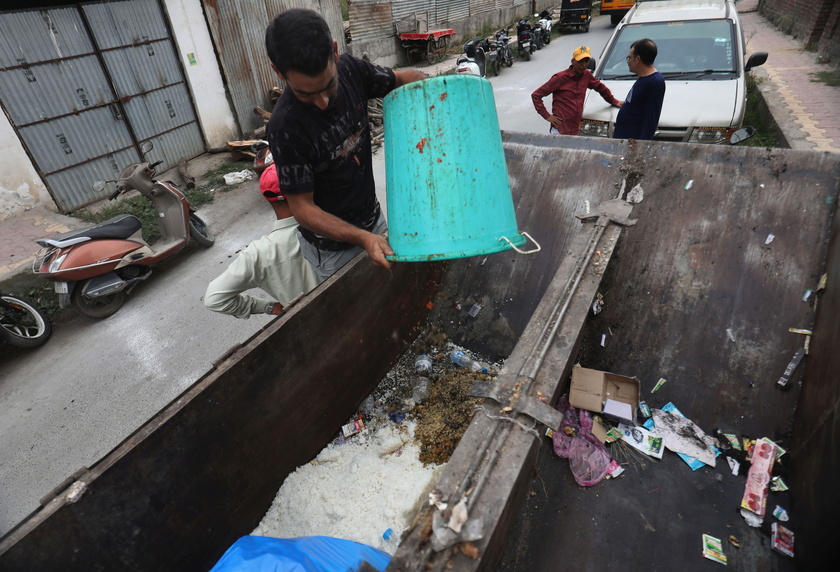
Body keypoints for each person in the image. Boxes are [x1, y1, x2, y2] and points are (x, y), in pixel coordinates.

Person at [264, 9, 428, 281]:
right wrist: (363, 238)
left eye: (329, 86)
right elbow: (302, 209)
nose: (322, 102)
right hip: (332, 250)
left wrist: (439, 94)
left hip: (373, 221)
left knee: (397, 290)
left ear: (335, 51)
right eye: (306, 94)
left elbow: (401, 79)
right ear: (278, 72)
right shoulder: (285, 128)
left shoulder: (352, 70)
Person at [204, 166, 319, 319]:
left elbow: (214, 299)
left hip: (309, 323)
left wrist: (268, 307)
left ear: (267, 198)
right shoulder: (336, 226)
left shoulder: (257, 254)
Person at [532, 46, 622, 135]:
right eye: (580, 61)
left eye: (586, 61)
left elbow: (601, 88)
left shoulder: (587, 75)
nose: (583, 65)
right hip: (559, 130)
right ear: (573, 61)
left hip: (575, 130)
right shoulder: (560, 78)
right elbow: (536, 95)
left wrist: (614, 101)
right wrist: (547, 116)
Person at [613, 38, 666, 140]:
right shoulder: (643, 79)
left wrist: (641, 146)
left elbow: (651, 119)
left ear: (637, 59)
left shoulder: (654, 81)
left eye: (629, 58)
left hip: (634, 146)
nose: (628, 61)